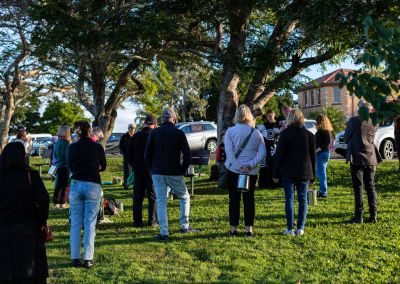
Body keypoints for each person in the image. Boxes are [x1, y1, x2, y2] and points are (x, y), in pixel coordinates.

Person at [145, 108, 197, 241]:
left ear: (162, 119)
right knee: (184, 197)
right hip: (174, 172)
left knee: (161, 201)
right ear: (174, 119)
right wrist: (182, 170)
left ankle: (164, 232)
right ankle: (184, 226)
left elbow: (147, 155)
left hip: (157, 172)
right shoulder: (178, 133)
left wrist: (152, 169)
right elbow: (187, 155)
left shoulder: (154, 132)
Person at [0, 142, 50, 283]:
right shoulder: (30, 176)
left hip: (4, 229)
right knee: (29, 270)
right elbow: (44, 201)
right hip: (28, 229)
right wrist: (41, 221)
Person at [67, 121, 106, 268]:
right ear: (89, 131)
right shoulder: (96, 147)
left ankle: (75, 257)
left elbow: (70, 165)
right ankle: (88, 258)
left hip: (76, 184)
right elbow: (104, 166)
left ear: (77, 132)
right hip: (92, 184)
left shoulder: (72, 147)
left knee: (76, 223)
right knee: (90, 223)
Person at [224, 105, 266, 237]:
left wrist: (238, 166)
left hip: (234, 171)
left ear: (237, 115)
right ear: (249, 116)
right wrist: (250, 165)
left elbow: (229, 153)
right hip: (251, 172)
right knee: (249, 200)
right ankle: (249, 229)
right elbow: (262, 153)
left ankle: (233, 229)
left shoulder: (230, 131)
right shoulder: (256, 132)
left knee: (234, 200)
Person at [273, 108, 316, 237]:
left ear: (290, 119)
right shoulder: (310, 135)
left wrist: (275, 173)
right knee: (303, 200)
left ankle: (290, 228)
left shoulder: (285, 134)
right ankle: (300, 228)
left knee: (289, 200)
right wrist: (313, 175)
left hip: (288, 171)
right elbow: (313, 157)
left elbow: (279, 155)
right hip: (305, 171)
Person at [344, 101, 378, 224]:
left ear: (359, 109)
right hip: (371, 156)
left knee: (358, 187)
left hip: (357, 157)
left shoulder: (353, 121)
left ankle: (359, 216)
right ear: (370, 110)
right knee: (371, 187)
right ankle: (373, 215)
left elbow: (346, 137)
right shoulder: (375, 121)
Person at [127, 115, 158, 227]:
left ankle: (137, 221)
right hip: (152, 170)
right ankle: (153, 221)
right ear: (154, 125)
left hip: (138, 169)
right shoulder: (155, 135)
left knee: (137, 197)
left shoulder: (136, 136)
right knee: (153, 197)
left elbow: (128, 154)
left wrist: (134, 165)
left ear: (144, 123)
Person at [257, 110, 280, 188]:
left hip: (275, 148)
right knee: (265, 165)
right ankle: (265, 184)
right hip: (265, 147)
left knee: (275, 165)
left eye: (271, 115)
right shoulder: (264, 125)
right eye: (268, 116)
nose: (269, 117)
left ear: (274, 115)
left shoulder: (279, 124)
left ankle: (275, 183)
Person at [315, 114, 333, 198]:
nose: (316, 123)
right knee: (321, 173)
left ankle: (323, 192)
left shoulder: (324, 131)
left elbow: (326, 143)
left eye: (317, 121)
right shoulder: (326, 131)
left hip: (322, 154)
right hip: (325, 153)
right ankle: (322, 190)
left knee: (321, 174)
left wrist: (318, 150)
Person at [54, 125, 72, 208]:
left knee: (58, 185)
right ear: (66, 132)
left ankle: (56, 202)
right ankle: (63, 202)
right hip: (65, 166)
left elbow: (55, 155)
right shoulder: (66, 142)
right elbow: (67, 156)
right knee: (65, 185)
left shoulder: (57, 142)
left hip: (58, 165)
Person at [120, 123, 136, 189]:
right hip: (127, 157)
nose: (132, 129)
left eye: (134, 128)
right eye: (131, 128)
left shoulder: (136, 136)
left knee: (134, 171)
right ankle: (126, 185)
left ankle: (133, 184)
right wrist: (125, 153)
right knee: (127, 171)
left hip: (135, 157)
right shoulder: (124, 136)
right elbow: (121, 147)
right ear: (128, 128)